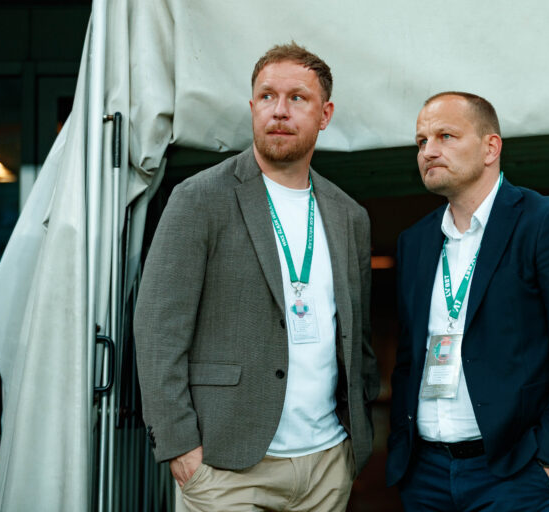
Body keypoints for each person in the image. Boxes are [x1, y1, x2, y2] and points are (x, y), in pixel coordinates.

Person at [134, 42, 379, 512]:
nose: (279, 110)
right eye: (267, 96)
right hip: (225, 468)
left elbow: (358, 337)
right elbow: (158, 330)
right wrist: (180, 446)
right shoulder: (199, 198)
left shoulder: (349, 215)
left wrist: (356, 439)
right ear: (252, 108)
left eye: (297, 98)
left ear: (325, 115)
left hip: (327, 463)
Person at [386, 92, 549, 511]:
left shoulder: (546, 223)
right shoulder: (414, 241)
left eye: (445, 136)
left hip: (517, 474)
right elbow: (407, 359)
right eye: (421, 141)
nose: (428, 151)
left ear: (491, 147)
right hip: (427, 477)